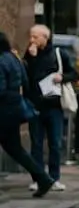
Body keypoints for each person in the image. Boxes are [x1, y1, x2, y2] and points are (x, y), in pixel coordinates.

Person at [0, 31, 59, 197]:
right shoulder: (14, 59)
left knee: (15, 149)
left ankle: (43, 178)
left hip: (3, 111)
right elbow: (26, 82)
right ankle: (43, 178)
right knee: (15, 149)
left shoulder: (1, 61)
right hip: (14, 109)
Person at [23, 25, 74, 190]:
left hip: (54, 106)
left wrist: (62, 77)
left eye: (35, 37)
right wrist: (31, 59)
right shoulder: (29, 54)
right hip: (35, 105)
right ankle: (38, 178)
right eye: (31, 36)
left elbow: (74, 73)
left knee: (55, 143)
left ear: (45, 38)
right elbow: (27, 77)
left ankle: (54, 177)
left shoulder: (59, 54)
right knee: (36, 144)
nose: (32, 40)